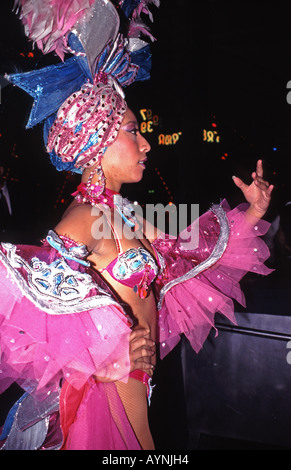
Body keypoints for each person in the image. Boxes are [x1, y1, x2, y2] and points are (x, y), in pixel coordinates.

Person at [0, 0, 273, 450]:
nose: (146, 143)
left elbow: (189, 247)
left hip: (139, 387)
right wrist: (101, 362)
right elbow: (30, 318)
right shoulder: (85, 218)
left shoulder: (121, 213)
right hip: (104, 400)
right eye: (132, 130)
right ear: (96, 142)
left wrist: (254, 213)